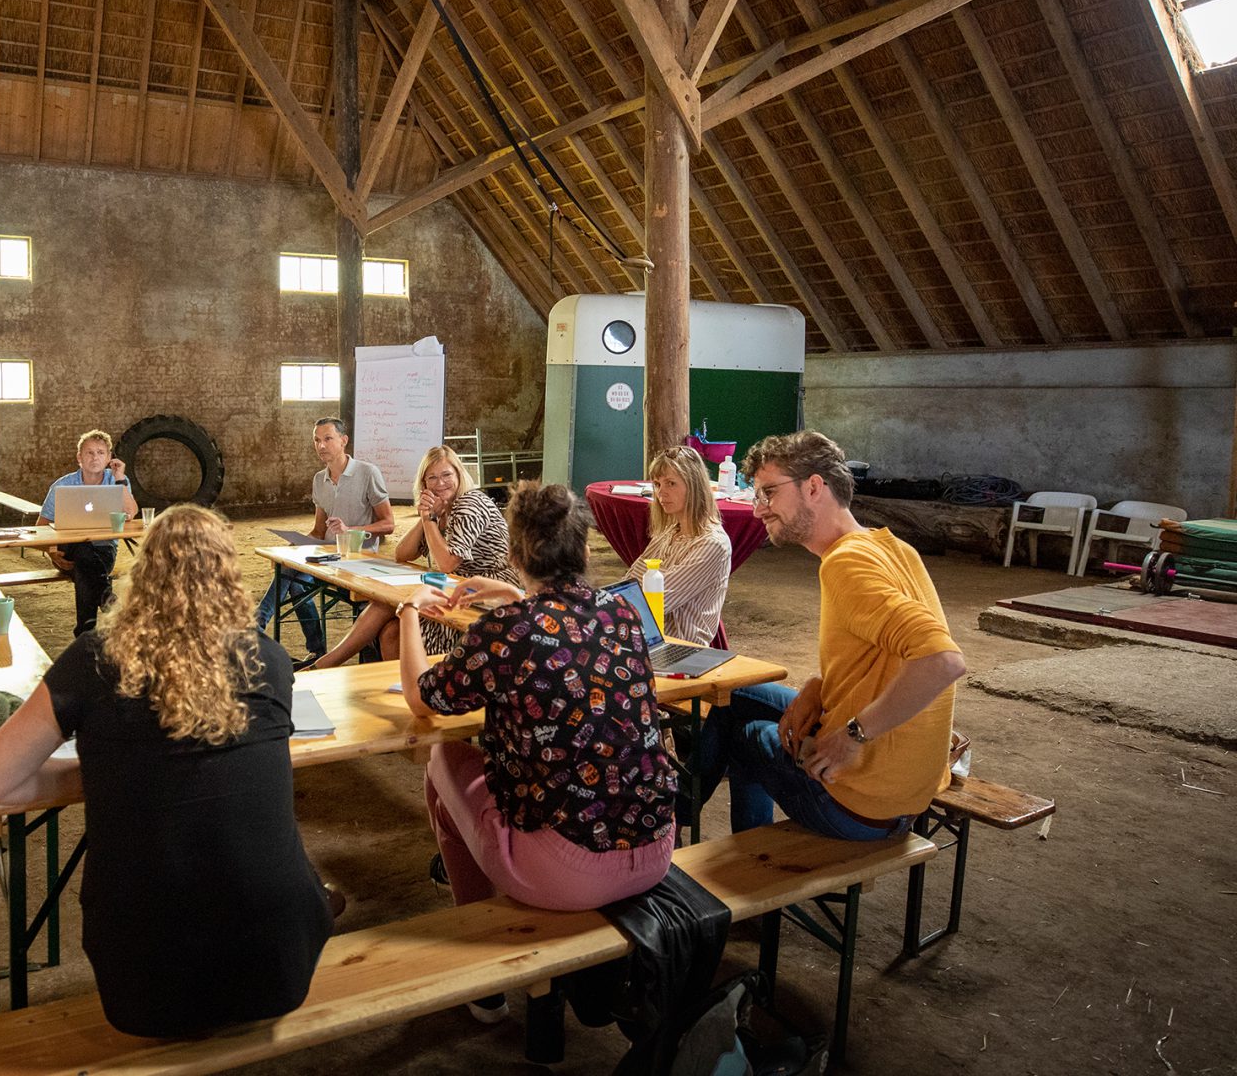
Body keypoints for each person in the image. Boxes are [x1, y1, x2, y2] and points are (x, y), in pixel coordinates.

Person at [0, 505, 334, 1038]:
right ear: (229, 577)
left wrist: (102, 775)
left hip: (142, 982)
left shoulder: (94, 659)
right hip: (279, 968)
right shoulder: (270, 660)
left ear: (141, 578)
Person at [399, 482, 676, 1023]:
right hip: (654, 846)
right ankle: (490, 930)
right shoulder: (620, 614)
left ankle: (486, 974)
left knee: (441, 760)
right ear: (583, 549)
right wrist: (511, 597)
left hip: (569, 868)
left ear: (515, 552)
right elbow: (560, 635)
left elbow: (421, 698)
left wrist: (409, 610)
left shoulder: (507, 631)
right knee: (466, 786)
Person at [691, 431, 966, 840]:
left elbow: (943, 661)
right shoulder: (892, 547)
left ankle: (685, 833)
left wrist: (854, 735)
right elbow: (881, 654)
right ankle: (675, 813)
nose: (757, 510)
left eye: (769, 493)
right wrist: (820, 686)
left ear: (814, 487)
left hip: (861, 804)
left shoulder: (846, 565)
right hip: (908, 791)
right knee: (735, 696)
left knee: (744, 736)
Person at [310, 444, 516, 669]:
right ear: (424, 483)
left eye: (447, 475)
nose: (440, 483)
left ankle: (324, 665)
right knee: (390, 631)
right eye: (432, 478)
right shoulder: (443, 507)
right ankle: (403, 691)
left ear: (459, 474)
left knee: (390, 608)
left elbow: (447, 563)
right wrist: (426, 516)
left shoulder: (469, 503)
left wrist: (429, 519)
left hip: (487, 588)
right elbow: (402, 554)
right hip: (457, 584)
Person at [255, 417, 396, 664]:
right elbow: (319, 532)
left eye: (328, 439)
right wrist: (296, 544)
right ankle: (316, 649)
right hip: (326, 556)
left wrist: (350, 530)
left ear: (344, 441)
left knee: (294, 581)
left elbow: (389, 524)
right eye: (317, 441)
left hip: (357, 559)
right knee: (290, 571)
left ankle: (256, 626)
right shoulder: (319, 479)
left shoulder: (367, 473)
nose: (321, 446)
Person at [624, 445, 734, 645]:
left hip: (681, 647)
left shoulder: (712, 544)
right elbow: (630, 582)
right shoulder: (670, 531)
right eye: (657, 484)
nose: (661, 493)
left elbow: (656, 601)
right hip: (650, 638)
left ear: (694, 486)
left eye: (671, 483)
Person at [39, 430, 138, 636]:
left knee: (85, 566)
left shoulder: (118, 481)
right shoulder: (62, 485)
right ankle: (107, 600)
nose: (95, 457)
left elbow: (130, 512)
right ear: (79, 457)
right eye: (89, 452)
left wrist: (119, 478)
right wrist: (51, 552)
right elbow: (41, 526)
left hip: (103, 551)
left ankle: (84, 633)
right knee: (84, 553)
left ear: (110, 458)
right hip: (66, 551)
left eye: (101, 453)